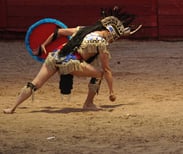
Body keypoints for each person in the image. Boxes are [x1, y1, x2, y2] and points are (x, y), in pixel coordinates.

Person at [3, 7, 140, 114]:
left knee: (35, 84)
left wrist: (43, 45)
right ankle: (88, 104)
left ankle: (12, 108)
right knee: (99, 74)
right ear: (110, 34)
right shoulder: (101, 43)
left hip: (55, 56)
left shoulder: (83, 30)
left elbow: (59, 32)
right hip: (71, 63)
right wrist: (111, 92)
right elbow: (107, 70)